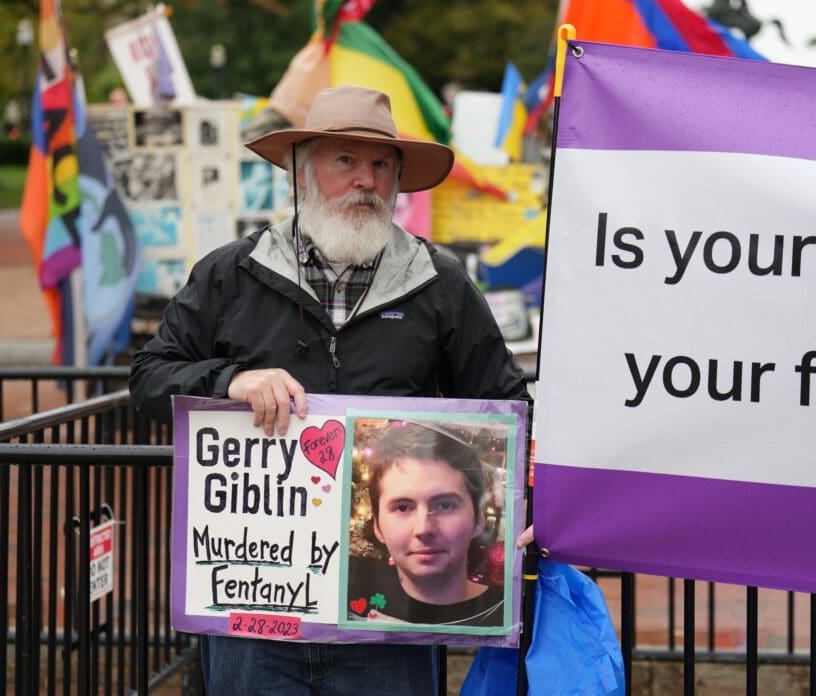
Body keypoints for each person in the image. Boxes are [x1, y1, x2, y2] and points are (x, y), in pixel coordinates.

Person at [129, 84, 530, 695]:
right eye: (345, 160)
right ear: (303, 169)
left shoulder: (440, 285)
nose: (365, 179)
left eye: (380, 164)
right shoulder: (229, 275)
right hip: (255, 615)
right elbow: (150, 377)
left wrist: (514, 494)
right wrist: (229, 381)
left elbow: (507, 404)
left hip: (390, 623)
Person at [347, 421, 504, 627]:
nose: (423, 529)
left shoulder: (505, 611)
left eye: (445, 505)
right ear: (377, 525)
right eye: (403, 508)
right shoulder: (348, 588)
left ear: (478, 518)